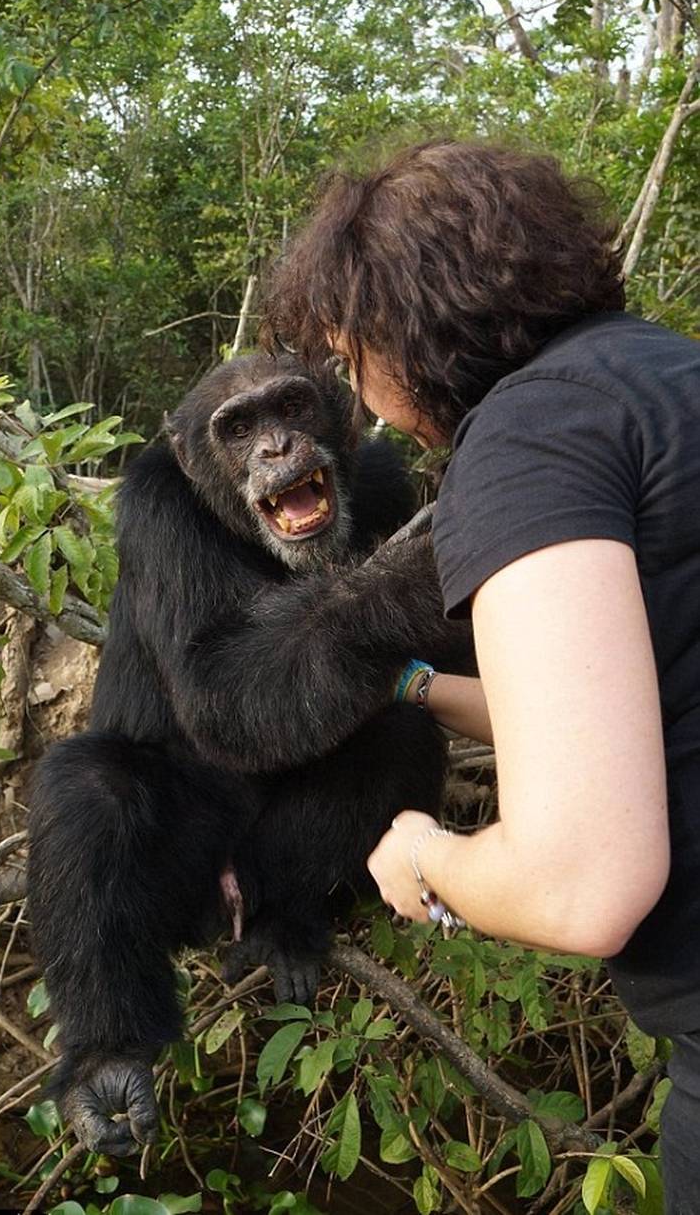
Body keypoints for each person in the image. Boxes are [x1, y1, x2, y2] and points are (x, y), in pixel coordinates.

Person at [262, 139, 700, 1214]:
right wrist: (403, 683)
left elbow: (580, 881)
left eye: (346, 356)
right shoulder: (664, 376)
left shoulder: (526, 438)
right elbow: (611, 707)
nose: (355, 397)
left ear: (398, 330)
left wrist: (429, 855)